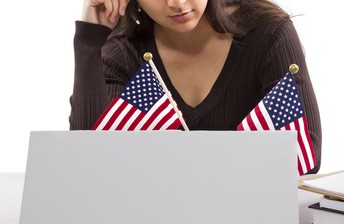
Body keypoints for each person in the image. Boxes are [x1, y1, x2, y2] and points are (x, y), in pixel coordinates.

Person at [70, 0, 322, 173]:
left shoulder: (268, 33)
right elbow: (89, 166)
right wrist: (89, 43)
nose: (177, 3)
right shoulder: (124, 53)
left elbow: (306, 153)